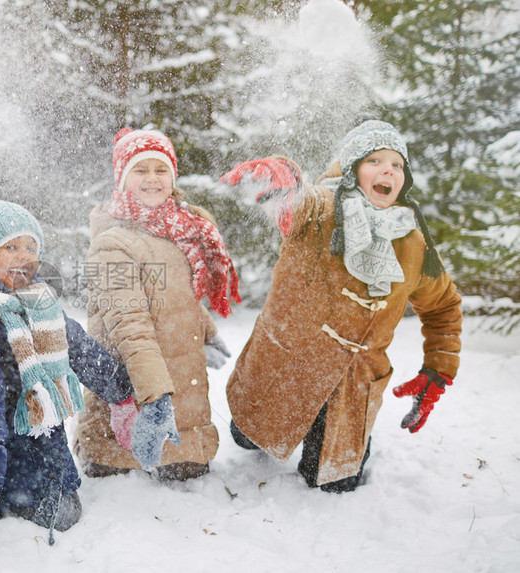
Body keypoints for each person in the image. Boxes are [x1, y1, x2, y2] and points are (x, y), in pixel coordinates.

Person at [219, 119, 462, 493]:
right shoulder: (322, 208)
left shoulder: (414, 242)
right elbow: (295, 204)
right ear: (351, 170)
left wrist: (438, 369)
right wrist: (282, 185)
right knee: (248, 438)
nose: (388, 170)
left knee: (333, 483)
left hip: (351, 386)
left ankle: (348, 443)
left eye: (397, 164)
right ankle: (254, 426)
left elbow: (443, 307)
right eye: (375, 161)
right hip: (289, 367)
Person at [0, 199, 136, 540]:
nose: (25, 256)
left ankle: (19, 494)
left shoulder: (39, 304)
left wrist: (123, 397)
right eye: (11, 246)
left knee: (64, 515)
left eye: (31, 246)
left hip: (36, 444)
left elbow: (80, 349)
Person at [73, 128, 241, 482]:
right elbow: (129, 325)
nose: (152, 179)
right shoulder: (111, 245)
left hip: (182, 418)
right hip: (129, 422)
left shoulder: (180, 230)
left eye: (160, 169)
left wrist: (204, 329)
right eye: (140, 170)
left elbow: (177, 293)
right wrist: (153, 400)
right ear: (122, 179)